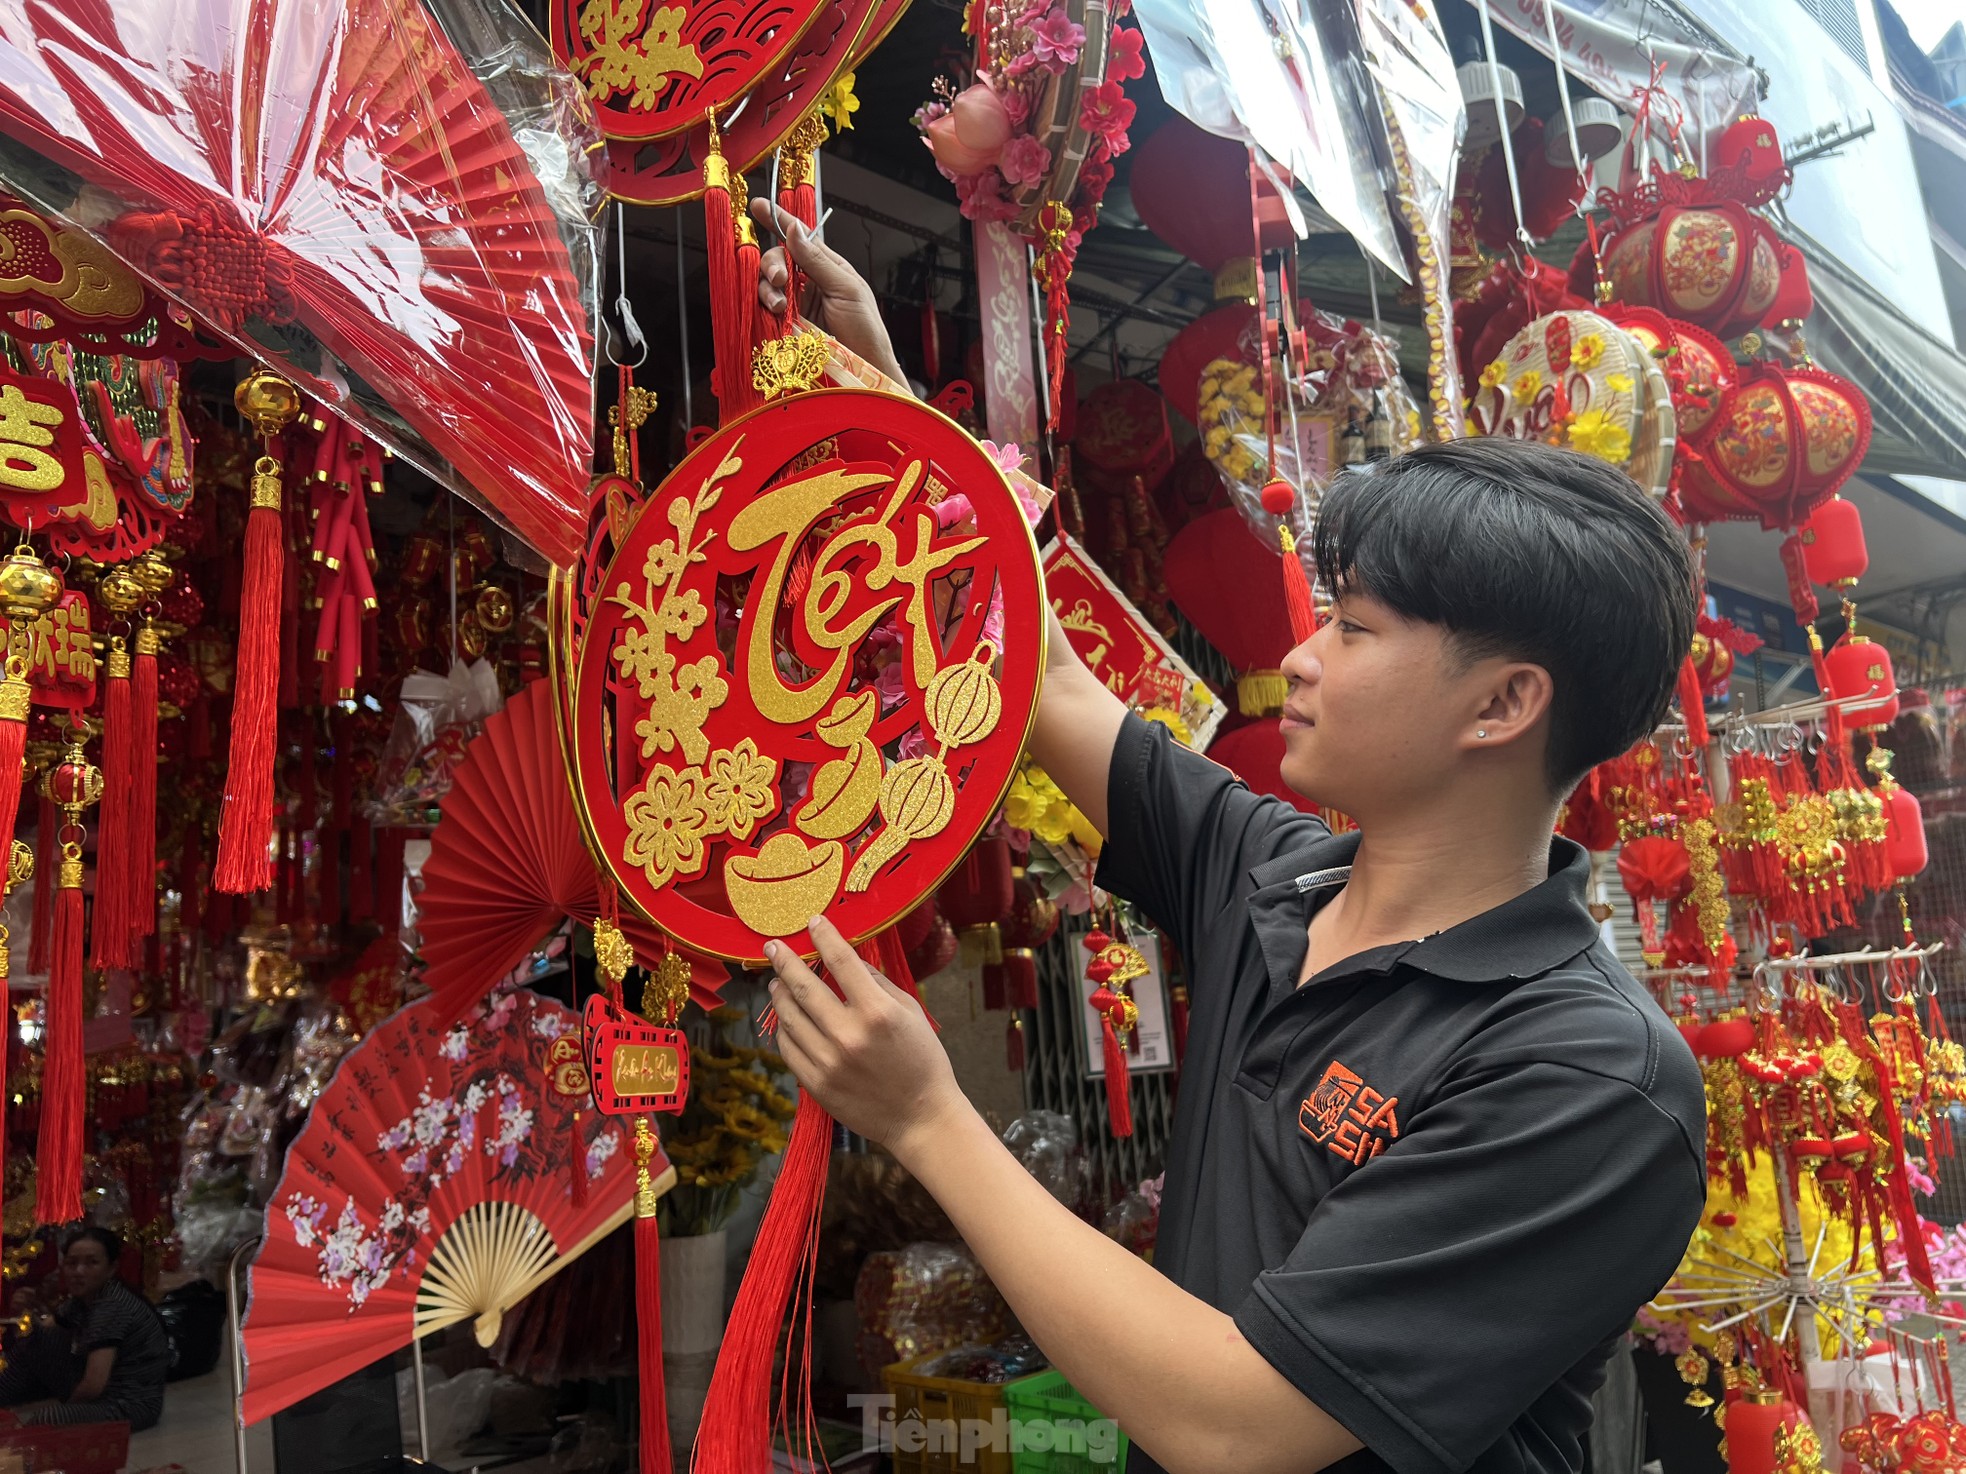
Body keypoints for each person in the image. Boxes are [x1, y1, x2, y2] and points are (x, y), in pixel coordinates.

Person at [749, 200, 1706, 1474]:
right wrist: (890, 405)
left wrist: (927, 1117)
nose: (1298, 660)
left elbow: (1238, 1421)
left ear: (1503, 702)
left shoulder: (1585, 1075)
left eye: (1354, 630)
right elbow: (1034, 672)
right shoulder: (1273, 875)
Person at [0, 1226, 170, 1430]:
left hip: (128, 1403)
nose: (79, 1272)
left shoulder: (111, 1305)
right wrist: (24, 1309)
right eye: (72, 1263)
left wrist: (69, 1411)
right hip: (98, 1387)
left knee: (50, 1418)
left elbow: (93, 1385)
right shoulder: (84, 1297)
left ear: (111, 1268)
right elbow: (47, 1329)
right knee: (34, 1338)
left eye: (92, 1263)